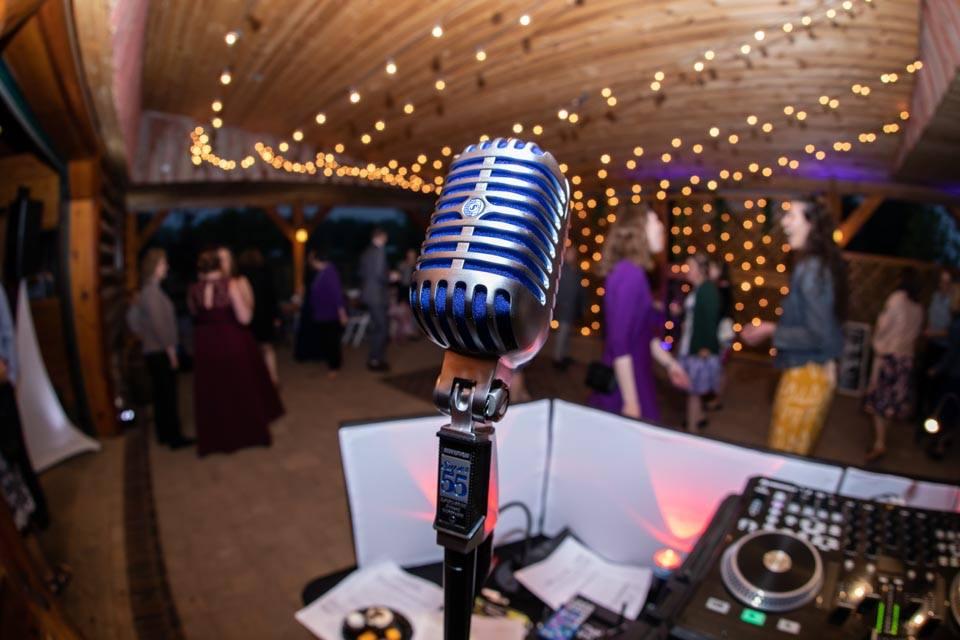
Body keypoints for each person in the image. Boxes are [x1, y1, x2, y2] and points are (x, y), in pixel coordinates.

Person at [742, 200, 846, 456]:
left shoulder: (811, 269)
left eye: (791, 215)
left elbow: (817, 334)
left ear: (811, 224)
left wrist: (770, 330)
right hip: (813, 370)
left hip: (807, 376)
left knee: (786, 455)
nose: (783, 222)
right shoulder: (818, 264)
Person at [589, 207, 687, 420]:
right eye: (654, 221)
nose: (661, 226)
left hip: (637, 376)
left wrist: (670, 364)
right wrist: (631, 402)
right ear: (637, 230)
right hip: (624, 385)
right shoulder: (629, 275)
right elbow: (620, 345)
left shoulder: (634, 273)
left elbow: (643, 335)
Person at [189, 249, 283, 456]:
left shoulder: (194, 289)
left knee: (213, 390)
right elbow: (245, 318)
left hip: (205, 344)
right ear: (219, 265)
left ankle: (216, 438)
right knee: (240, 387)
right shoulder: (230, 285)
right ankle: (246, 433)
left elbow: (194, 315)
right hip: (229, 340)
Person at [127, 249, 192, 449]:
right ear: (154, 267)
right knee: (168, 396)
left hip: (153, 351)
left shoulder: (146, 291)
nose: (167, 267)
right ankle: (174, 437)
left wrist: (145, 336)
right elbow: (159, 326)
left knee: (161, 395)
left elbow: (134, 322)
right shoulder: (152, 293)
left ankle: (164, 434)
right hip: (161, 353)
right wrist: (171, 352)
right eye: (163, 263)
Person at [862, 270, 924, 462]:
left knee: (879, 402)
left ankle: (880, 443)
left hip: (890, 357)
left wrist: (877, 342)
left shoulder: (897, 299)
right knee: (890, 404)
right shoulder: (918, 307)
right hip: (906, 359)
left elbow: (884, 325)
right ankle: (881, 439)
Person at [677, 254, 722, 432]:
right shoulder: (698, 288)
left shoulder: (707, 290)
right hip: (690, 342)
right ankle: (699, 418)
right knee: (693, 389)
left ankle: (691, 429)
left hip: (698, 347)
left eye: (690, 267)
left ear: (701, 270)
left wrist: (705, 347)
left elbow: (711, 321)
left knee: (693, 391)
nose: (686, 270)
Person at [295, 251, 347, 373]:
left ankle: (334, 366)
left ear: (318, 261)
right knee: (327, 339)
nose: (312, 263)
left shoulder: (330, 272)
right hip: (321, 312)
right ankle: (332, 362)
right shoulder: (322, 272)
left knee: (332, 341)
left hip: (330, 313)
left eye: (313, 261)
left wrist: (342, 313)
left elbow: (337, 294)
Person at [238, 249, 281, 386]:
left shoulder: (240, 278)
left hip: (249, 316)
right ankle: (273, 378)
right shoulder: (266, 274)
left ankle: (256, 379)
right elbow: (273, 297)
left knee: (251, 349)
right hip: (265, 316)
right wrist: (276, 316)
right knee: (267, 348)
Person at [359, 227, 393, 371]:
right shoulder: (379, 251)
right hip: (377, 296)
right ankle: (375, 360)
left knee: (376, 327)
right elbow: (380, 275)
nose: (386, 240)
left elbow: (362, 273)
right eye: (385, 237)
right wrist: (391, 276)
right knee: (382, 328)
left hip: (368, 295)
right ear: (381, 237)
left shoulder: (366, 252)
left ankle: (374, 358)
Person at [552, 246, 585, 369]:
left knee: (567, 334)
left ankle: (564, 356)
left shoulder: (576, 270)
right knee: (562, 333)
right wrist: (559, 303)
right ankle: (557, 358)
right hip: (563, 307)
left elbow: (580, 290)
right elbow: (558, 288)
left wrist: (582, 305)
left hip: (572, 307)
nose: (572, 255)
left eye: (574, 253)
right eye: (570, 253)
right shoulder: (561, 269)